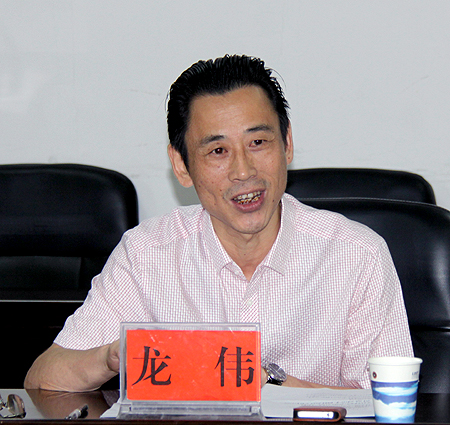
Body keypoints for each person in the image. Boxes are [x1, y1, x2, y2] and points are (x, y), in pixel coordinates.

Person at [24, 54, 413, 392]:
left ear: (287, 143)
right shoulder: (146, 255)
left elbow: (388, 403)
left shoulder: (357, 255)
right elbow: (43, 382)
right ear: (181, 165)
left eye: (258, 143)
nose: (243, 171)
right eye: (218, 150)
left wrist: (265, 384)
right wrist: (113, 357)